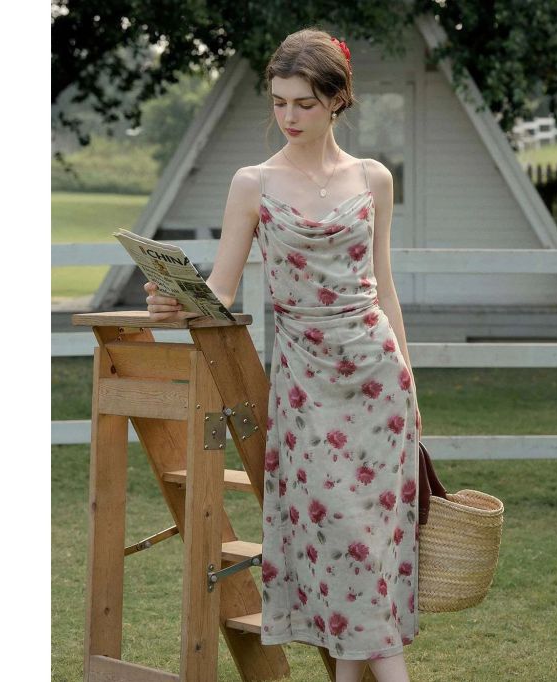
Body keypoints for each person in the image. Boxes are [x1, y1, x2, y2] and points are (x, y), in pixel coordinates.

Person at [145, 27, 421, 682]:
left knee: (365, 556)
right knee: (341, 549)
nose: (288, 116)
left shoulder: (374, 179)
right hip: (306, 392)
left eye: (302, 102)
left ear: (335, 101)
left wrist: (410, 386)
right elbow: (221, 289)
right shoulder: (253, 183)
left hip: (378, 385)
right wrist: (172, 302)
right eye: (279, 102)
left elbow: (384, 288)